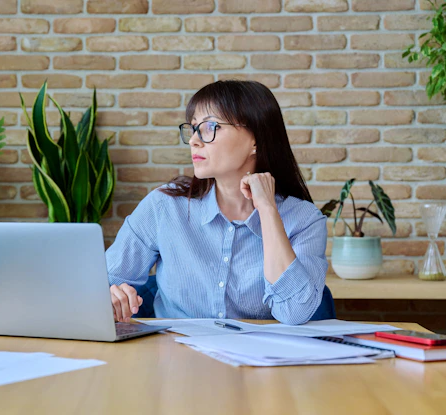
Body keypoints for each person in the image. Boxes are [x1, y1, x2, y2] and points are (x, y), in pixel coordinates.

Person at [105, 80, 328, 325]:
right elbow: (102, 282)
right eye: (193, 128)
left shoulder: (304, 220)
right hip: (175, 357)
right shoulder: (164, 207)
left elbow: (295, 312)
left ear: (256, 139)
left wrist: (267, 210)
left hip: (256, 360)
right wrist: (109, 293)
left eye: (211, 126)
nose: (194, 141)